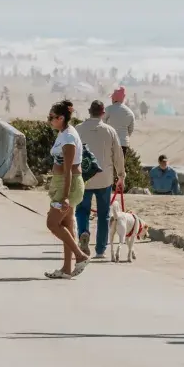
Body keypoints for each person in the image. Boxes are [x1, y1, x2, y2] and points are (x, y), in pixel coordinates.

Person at [45, 100, 90, 279]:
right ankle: (66, 268)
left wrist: (64, 197)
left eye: (52, 117)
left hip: (68, 185)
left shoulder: (69, 137)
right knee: (66, 225)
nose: (49, 120)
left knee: (52, 223)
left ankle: (80, 255)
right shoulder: (63, 133)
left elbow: (69, 169)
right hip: (62, 183)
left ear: (61, 118)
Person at [75, 100, 126, 259]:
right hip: (105, 178)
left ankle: (84, 232)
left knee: (82, 210)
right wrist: (121, 175)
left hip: (84, 178)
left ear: (89, 111)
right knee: (104, 214)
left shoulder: (77, 129)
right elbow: (118, 155)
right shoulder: (110, 131)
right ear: (103, 113)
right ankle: (100, 249)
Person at [105, 86, 136, 157]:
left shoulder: (108, 109)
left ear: (114, 98)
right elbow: (130, 129)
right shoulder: (129, 112)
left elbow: (102, 124)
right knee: (120, 166)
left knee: (109, 165)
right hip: (123, 143)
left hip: (110, 142)